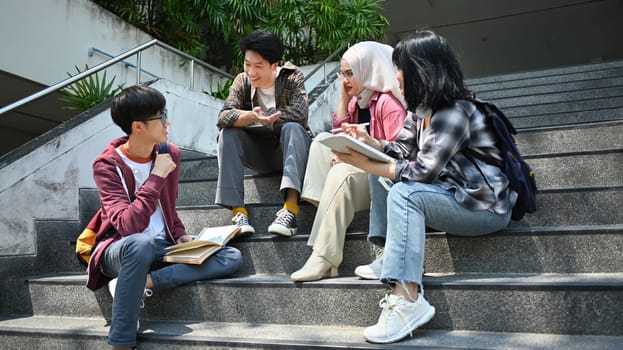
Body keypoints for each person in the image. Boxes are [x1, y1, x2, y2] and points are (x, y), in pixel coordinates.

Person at [333, 30, 516, 344]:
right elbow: (400, 150)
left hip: (484, 208)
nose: (396, 76)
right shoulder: (421, 113)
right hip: (453, 196)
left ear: (422, 70)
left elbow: (419, 172)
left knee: (405, 190)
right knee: (385, 174)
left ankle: (407, 300)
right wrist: (369, 142)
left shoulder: (456, 112)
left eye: (401, 68)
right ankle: (386, 255)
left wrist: (361, 163)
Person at [86, 85, 243, 350]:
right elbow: (127, 225)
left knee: (230, 257)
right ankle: (121, 342)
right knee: (141, 243)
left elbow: (168, 206)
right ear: (138, 127)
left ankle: (141, 283)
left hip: (160, 248)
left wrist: (181, 234)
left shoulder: (169, 153)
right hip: (120, 249)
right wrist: (156, 176)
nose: (167, 122)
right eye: (160, 117)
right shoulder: (106, 165)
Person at [290, 41, 407, 282]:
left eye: (350, 73)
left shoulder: (388, 104)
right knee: (321, 141)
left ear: (368, 69)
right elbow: (338, 132)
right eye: (342, 74)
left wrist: (351, 159)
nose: (345, 79)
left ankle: (324, 257)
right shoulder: (358, 101)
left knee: (340, 173)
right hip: (362, 170)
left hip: (383, 181)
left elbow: (398, 156)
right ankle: (326, 210)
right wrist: (343, 100)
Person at [216, 29, 311, 237]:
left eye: (258, 66)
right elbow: (223, 117)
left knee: (293, 127)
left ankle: (290, 210)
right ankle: (238, 212)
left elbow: (300, 113)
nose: (251, 72)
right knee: (228, 134)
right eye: (247, 64)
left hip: (287, 150)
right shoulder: (242, 81)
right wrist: (250, 117)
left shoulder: (291, 76)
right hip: (257, 154)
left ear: (274, 65)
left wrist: (268, 118)